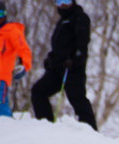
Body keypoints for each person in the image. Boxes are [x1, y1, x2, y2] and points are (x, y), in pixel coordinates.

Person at [31, 0, 97, 130]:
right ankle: (46, 125)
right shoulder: (61, 21)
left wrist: (76, 59)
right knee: (38, 91)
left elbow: (82, 41)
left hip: (72, 68)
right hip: (57, 68)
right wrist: (50, 59)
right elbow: (58, 47)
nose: (63, 5)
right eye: (59, 1)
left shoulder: (79, 17)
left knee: (77, 99)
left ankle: (91, 131)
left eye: (66, 1)